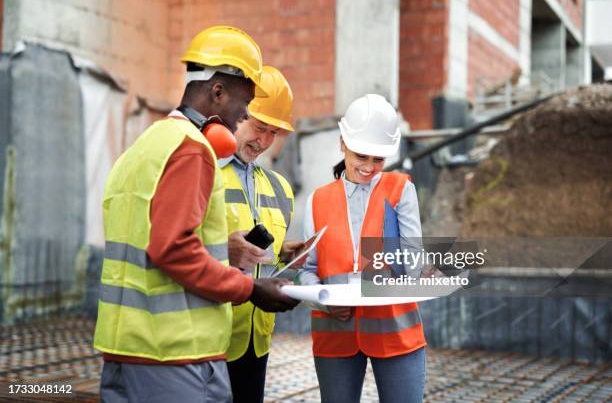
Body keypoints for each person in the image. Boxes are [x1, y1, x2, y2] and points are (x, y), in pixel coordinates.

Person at [93, 26, 299, 403]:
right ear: (217, 92)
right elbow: (172, 250)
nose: (240, 121)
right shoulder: (192, 149)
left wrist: (225, 249)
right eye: (243, 108)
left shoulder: (144, 147)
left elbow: (146, 240)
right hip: (175, 354)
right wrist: (251, 288)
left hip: (126, 348)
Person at [298, 94, 427, 403]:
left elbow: (414, 265)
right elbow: (307, 271)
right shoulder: (317, 200)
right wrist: (324, 301)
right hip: (335, 333)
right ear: (343, 143)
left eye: (378, 159)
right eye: (361, 156)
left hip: (396, 332)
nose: (369, 167)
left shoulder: (400, 190)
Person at [220, 65, 305, 403]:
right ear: (238, 113)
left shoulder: (280, 188)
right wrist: (222, 250)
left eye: (273, 132)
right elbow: (178, 247)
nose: (264, 141)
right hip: (210, 339)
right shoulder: (204, 170)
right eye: (258, 127)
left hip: (257, 338)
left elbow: (258, 249)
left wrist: (284, 252)